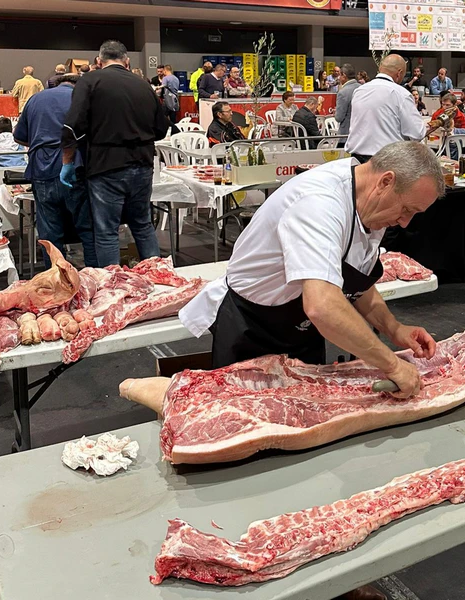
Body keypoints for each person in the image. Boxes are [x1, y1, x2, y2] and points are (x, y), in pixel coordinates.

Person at [179, 140, 443, 390]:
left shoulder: (371, 203)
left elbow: (355, 282)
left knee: (307, 419)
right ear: (386, 181)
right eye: (407, 210)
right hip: (253, 328)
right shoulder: (319, 203)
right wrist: (392, 364)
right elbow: (322, 306)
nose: (405, 222)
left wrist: (394, 328)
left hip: (302, 331)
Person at [61, 40, 168, 267]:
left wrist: (67, 162)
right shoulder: (143, 85)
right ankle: (159, 280)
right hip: (142, 164)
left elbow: (72, 126)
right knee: (142, 224)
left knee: (107, 231)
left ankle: (112, 287)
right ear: (126, 62)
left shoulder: (89, 80)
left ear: (99, 61)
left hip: (105, 166)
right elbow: (161, 129)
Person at [14, 73, 97, 269]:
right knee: (87, 229)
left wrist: (42, 142)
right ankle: (96, 277)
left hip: (42, 169)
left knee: (50, 233)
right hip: (75, 167)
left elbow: (19, 137)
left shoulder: (36, 99)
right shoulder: (82, 99)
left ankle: (56, 279)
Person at [346, 54, 425, 163]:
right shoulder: (401, 94)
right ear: (399, 73)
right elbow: (417, 133)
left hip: (357, 159)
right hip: (388, 160)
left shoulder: (359, 91)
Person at [335, 64, 360, 138]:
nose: (338, 78)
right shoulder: (362, 88)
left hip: (346, 134)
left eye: (339, 75)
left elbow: (339, 117)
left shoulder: (343, 93)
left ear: (344, 75)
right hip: (360, 133)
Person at [158, 65, 181, 135]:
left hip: (167, 101)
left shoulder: (165, 78)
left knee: (162, 117)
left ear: (165, 70)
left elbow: (163, 86)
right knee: (173, 119)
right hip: (175, 101)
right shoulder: (176, 78)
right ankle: (175, 135)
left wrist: (156, 87)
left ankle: (163, 133)